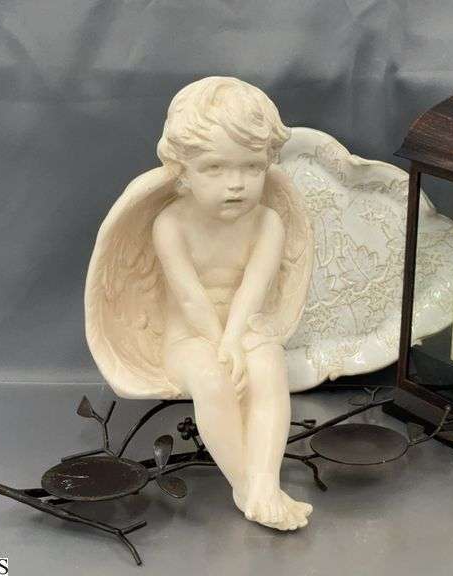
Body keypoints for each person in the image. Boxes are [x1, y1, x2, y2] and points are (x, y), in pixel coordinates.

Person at [149, 77, 312, 530]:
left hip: (246, 325)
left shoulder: (268, 223)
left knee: (269, 371)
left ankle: (265, 480)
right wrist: (222, 346)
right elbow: (189, 296)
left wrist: (236, 340)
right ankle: (248, 487)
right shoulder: (170, 225)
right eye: (215, 169)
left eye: (252, 168)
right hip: (189, 336)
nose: (236, 184)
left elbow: (253, 289)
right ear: (182, 171)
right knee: (212, 379)